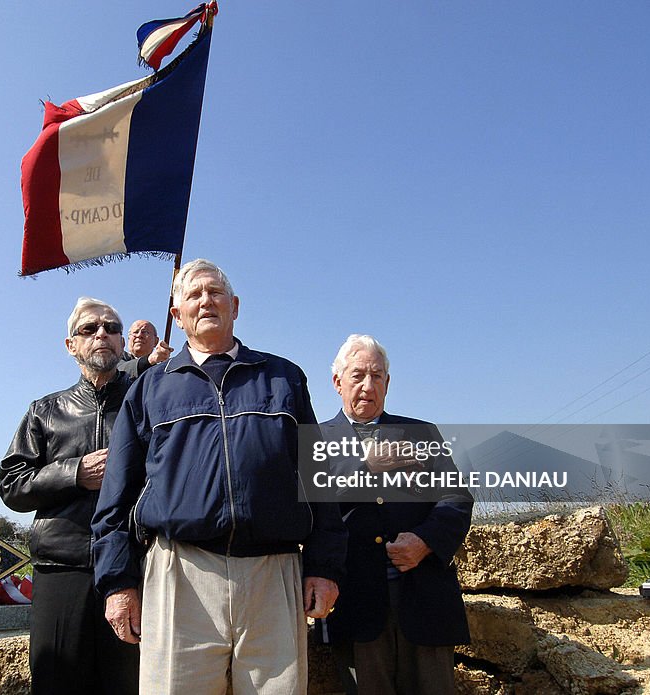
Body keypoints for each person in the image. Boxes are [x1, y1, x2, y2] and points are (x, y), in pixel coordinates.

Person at [93, 259, 347, 694]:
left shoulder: (284, 378)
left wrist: (323, 567)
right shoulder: (149, 389)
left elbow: (318, 477)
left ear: (235, 306)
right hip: (179, 574)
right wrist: (118, 582)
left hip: (273, 574)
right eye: (193, 294)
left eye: (215, 293)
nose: (205, 301)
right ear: (177, 314)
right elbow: (116, 497)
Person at [0, 297, 139, 695]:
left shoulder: (147, 402)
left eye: (111, 328)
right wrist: (74, 473)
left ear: (122, 341)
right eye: (89, 329)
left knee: (129, 682)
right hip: (62, 567)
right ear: (70, 345)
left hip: (134, 567)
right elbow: (12, 485)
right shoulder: (45, 410)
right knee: (59, 682)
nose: (102, 335)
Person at [319, 335, 473, 695]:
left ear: (388, 383)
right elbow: (311, 505)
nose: (368, 387)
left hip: (424, 598)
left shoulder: (420, 433)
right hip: (356, 603)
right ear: (337, 382)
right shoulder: (314, 440)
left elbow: (457, 496)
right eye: (358, 376)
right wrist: (365, 466)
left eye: (377, 376)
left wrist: (425, 541)